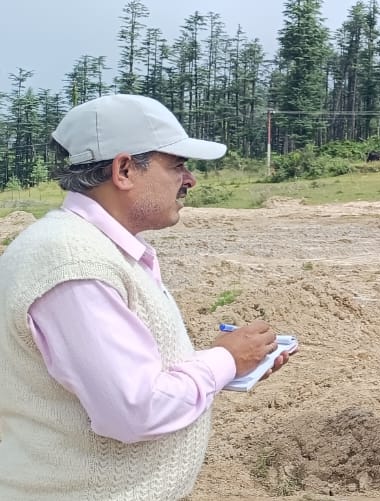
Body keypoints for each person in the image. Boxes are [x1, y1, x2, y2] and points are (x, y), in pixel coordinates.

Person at [0, 94, 288, 499]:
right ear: (124, 170)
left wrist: (231, 366)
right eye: (177, 165)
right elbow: (135, 410)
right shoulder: (75, 264)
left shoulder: (89, 250)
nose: (190, 180)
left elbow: (117, 379)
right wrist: (224, 360)